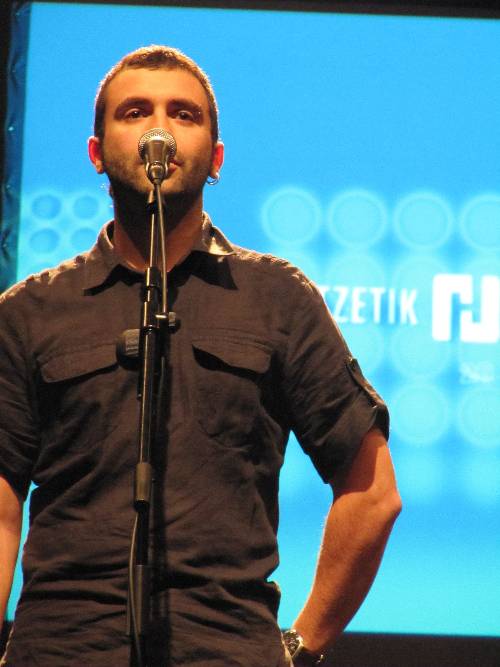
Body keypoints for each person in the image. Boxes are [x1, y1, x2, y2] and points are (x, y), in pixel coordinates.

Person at [0, 45, 401, 666]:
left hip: (225, 648)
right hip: (60, 649)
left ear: (215, 158)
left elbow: (372, 492)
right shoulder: (30, 311)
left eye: (183, 115)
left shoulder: (276, 299)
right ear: (96, 153)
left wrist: (302, 647)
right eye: (135, 112)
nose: (159, 130)